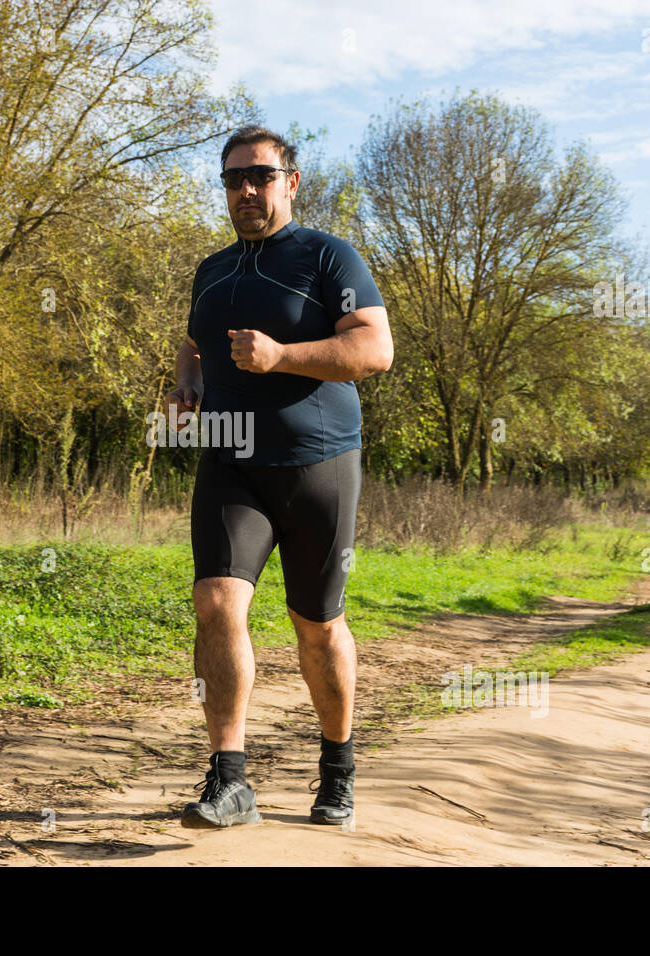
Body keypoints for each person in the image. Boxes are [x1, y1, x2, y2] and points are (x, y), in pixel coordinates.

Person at [166, 125, 392, 828]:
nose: (246, 191)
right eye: (233, 179)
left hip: (317, 465)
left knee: (316, 625)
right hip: (232, 464)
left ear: (290, 183)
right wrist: (186, 388)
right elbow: (193, 342)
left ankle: (338, 771)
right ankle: (229, 778)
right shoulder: (212, 270)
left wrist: (282, 355)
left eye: (260, 177)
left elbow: (373, 349)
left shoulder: (327, 256)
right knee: (216, 602)